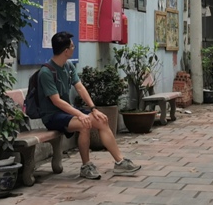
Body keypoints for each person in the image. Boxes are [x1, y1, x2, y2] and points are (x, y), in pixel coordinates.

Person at [39, 31, 141, 180]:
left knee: (101, 119)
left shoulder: (68, 66)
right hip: (52, 116)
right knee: (84, 123)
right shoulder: (46, 72)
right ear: (66, 51)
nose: (74, 48)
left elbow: (80, 87)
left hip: (67, 112)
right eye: (72, 46)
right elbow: (57, 101)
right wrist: (81, 114)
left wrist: (93, 109)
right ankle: (86, 166)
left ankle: (120, 162)